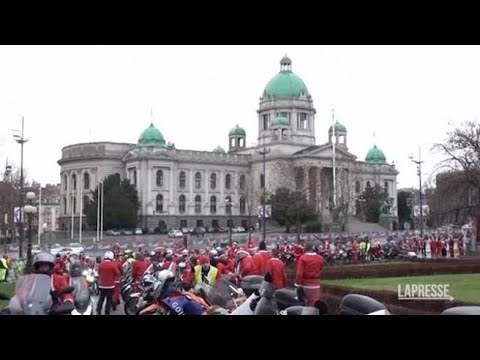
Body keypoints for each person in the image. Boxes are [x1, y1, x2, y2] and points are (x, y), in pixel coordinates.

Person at [295, 241, 324, 307]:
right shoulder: (320, 258)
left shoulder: (302, 258)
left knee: (305, 304)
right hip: (316, 283)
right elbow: (321, 268)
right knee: (315, 303)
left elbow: (299, 273)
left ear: (305, 248)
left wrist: (297, 283)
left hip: (306, 283)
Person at [97, 251, 120, 315]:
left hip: (102, 285)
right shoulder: (113, 265)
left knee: (101, 298)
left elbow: (99, 272)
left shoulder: (101, 264)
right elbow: (117, 273)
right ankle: (107, 311)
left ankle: (98, 310)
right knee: (109, 299)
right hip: (110, 285)